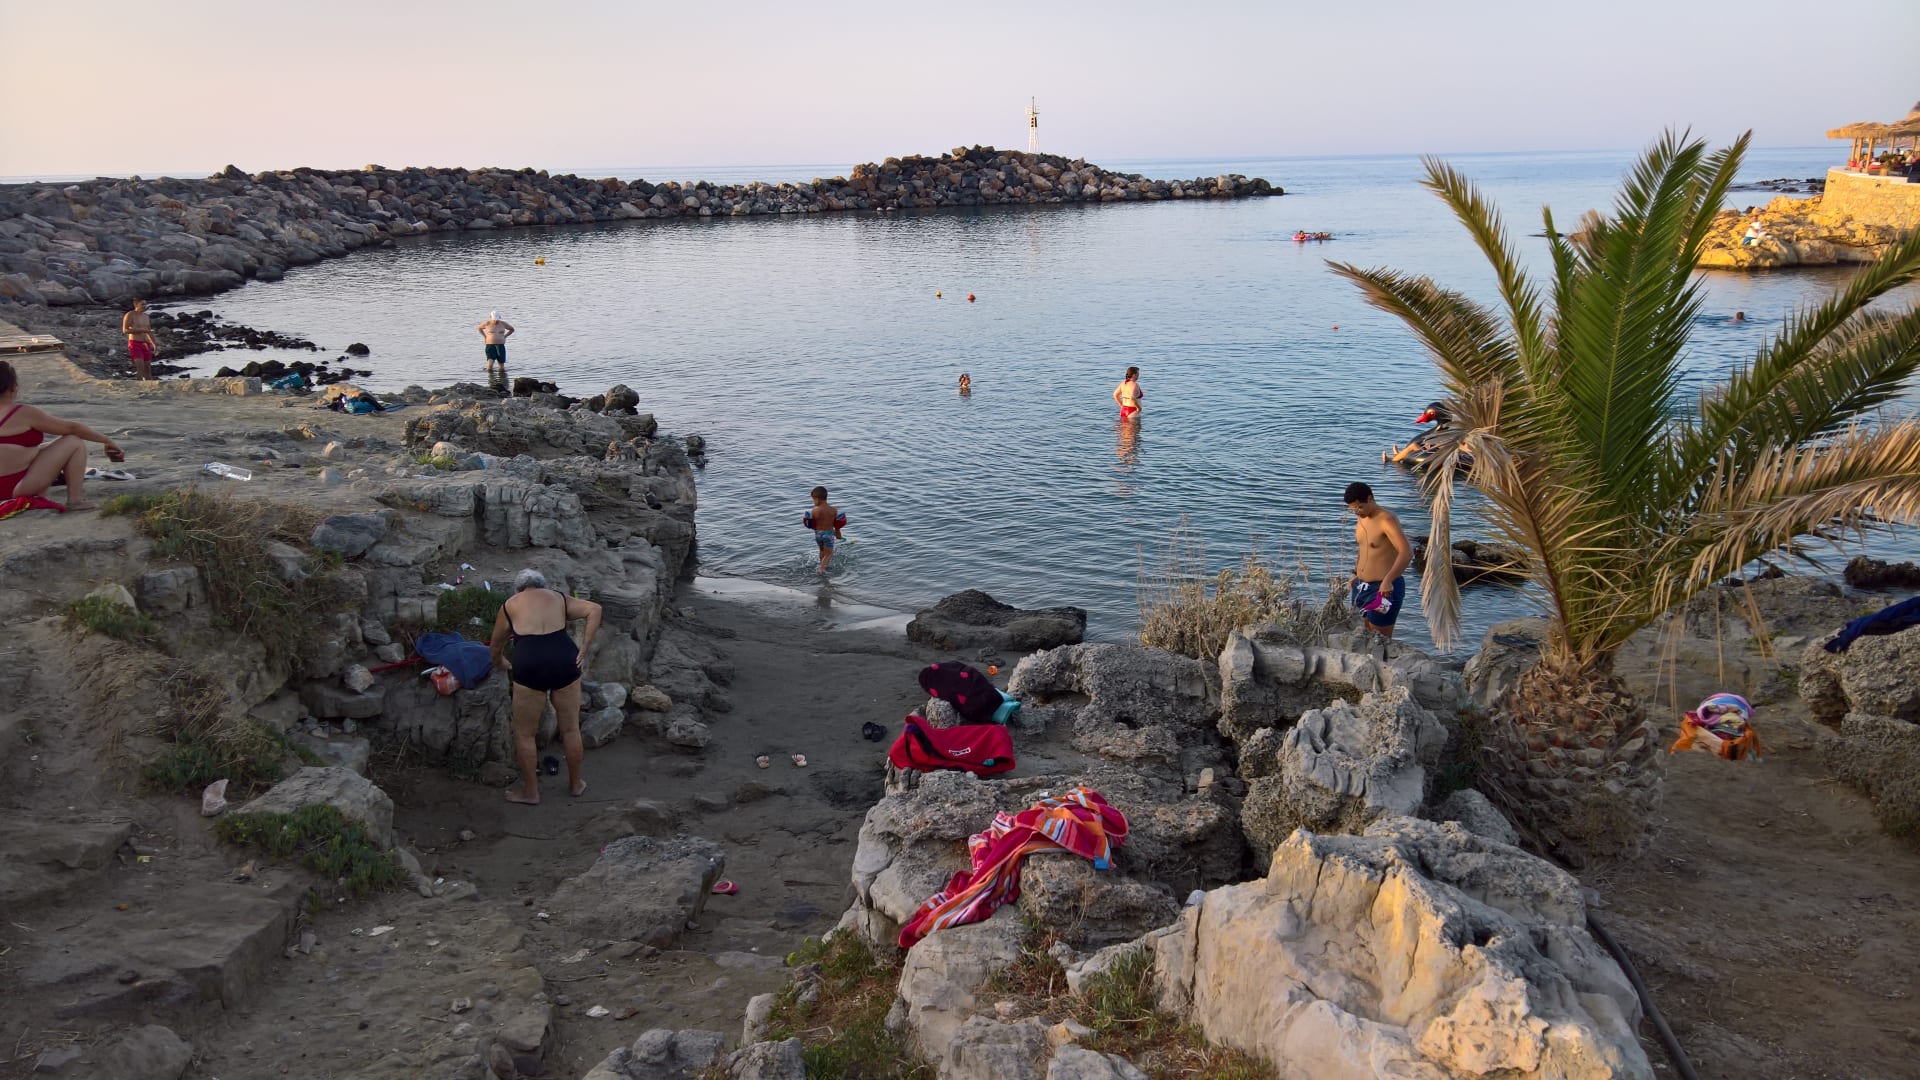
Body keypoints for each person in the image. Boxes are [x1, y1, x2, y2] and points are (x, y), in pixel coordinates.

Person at [490, 569, 602, 804]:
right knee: (570, 729)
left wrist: (500, 663)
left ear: (518, 589)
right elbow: (595, 609)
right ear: (542, 585)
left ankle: (531, 792)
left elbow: (496, 644)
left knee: (525, 734)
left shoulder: (510, 605)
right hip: (564, 659)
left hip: (529, 663)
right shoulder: (558, 597)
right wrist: (584, 647)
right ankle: (576, 784)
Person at [0, 360, 125, 510]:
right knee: (73, 442)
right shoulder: (22, 413)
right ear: (13, 388)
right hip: (16, 488)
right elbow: (73, 428)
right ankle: (75, 501)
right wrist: (107, 440)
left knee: (44, 447)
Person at [1344, 482, 1413, 643]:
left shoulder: (1386, 520)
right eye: (1353, 509)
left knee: (1380, 640)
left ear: (1370, 499)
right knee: (1363, 635)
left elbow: (1406, 553)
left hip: (1384, 590)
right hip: (1361, 587)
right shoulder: (1362, 518)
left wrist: (1388, 580)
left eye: (1359, 507)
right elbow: (1364, 548)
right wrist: (1355, 573)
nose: (1357, 512)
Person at [805, 485, 844, 575]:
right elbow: (837, 525)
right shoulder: (833, 510)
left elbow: (812, 524)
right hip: (828, 535)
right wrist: (838, 533)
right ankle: (821, 569)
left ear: (817, 499)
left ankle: (822, 565)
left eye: (813, 500)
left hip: (818, 534)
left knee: (822, 551)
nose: (813, 502)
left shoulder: (814, 511)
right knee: (829, 553)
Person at [121, 300, 157, 381]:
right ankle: (139, 384)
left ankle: (149, 385)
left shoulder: (146, 316)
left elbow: (149, 331)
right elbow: (125, 330)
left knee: (147, 368)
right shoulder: (130, 315)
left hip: (146, 343)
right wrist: (140, 330)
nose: (144, 306)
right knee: (140, 367)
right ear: (136, 304)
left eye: (145, 304)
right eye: (142, 304)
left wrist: (155, 344)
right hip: (135, 343)